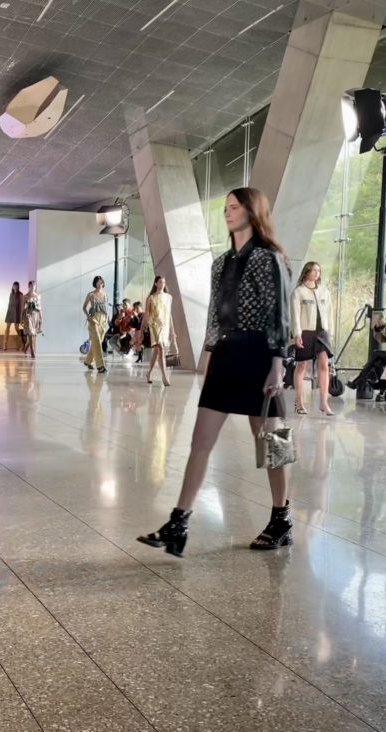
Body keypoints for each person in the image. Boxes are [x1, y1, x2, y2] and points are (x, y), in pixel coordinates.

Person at [137, 187, 293, 555]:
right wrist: (209, 354)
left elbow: (279, 314)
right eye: (225, 207)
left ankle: (281, 518)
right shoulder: (220, 263)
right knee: (199, 442)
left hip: (259, 353)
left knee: (272, 442)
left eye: (234, 207)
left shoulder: (269, 258)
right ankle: (179, 522)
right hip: (226, 352)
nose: (227, 212)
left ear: (253, 211)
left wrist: (277, 365)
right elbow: (213, 312)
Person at [290, 261, 333, 415]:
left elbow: (329, 314)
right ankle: (298, 402)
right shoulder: (298, 292)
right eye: (314, 270)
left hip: (322, 333)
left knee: (324, 365)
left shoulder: (324, 292)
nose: (316, 273)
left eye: (318, 270)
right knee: (302, 366)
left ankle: (323, 403)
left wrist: (330, 333)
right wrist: (297, 334)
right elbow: (295, 315)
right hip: (305, 332)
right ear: (307, 271)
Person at [143, 275, 173, 386]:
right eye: (160, 282)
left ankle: (148, 373)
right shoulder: (151, 298)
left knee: (156, 352)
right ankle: (165, 377)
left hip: (165, 327)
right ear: (155, 283)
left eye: (163, 282)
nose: (162, 284)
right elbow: (146, 314)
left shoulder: (169, 297)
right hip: (154, 326)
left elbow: (170, 315)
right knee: (161, 349)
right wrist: (142, 330)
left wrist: (172, 330)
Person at [82, 276, 109, 373]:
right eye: (98, 282)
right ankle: (100, 366)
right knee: (97, 341)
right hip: (93, 320)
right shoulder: (91, 294)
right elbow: (84, 307)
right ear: (95, 283)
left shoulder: (105, 294)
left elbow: (106, 309)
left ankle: (88, 361)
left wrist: (107, 320)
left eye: (101, 281)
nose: (100, 283)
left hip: (103, 320)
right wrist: (88, 317)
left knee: (97, 343)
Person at [21, 280, 43, 358]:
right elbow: (22, 308)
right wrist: (21, 318)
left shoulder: (38, 296)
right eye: (31, 285)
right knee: (30, 333)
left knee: (33, 335)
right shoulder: (25, 296)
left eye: (34, 285)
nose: (33, 287)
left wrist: (41, 318)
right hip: (28, 316)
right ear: (29, 286)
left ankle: (26, 348)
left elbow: (40, 308)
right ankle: (32, 351)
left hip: (36, 316)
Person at [3, 281, 24, 351]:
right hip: (10, 312)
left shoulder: (21, 294)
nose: (15, 287)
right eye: (14, 286)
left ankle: (21, 343)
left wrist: (21, 316)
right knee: (7, 328)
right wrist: (8, 312)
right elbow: (9, 304)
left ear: (18, 287)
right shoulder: (11, 294)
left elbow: (22, 306)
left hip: (17, 313)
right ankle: (5, 345)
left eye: (16, 286)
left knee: (16, 328)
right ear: (12, 286)